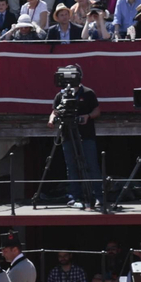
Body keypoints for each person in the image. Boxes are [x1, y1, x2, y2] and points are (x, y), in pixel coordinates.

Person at [50, 65, 100, 209]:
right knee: (71, 167)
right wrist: (51, 120)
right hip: (67, 135)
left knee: (92, 166)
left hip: (86, 135)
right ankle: (74, 197)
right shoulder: (61, 95)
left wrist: (88, 116)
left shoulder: (89, 93)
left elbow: (97, 110)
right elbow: (55, 111)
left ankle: (98, 196)